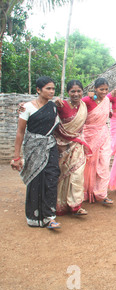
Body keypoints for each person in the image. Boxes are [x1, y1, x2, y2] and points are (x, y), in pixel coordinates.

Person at [12, 76, 61, 229]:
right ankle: (34, 217)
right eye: (48, 88)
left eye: (53, 88)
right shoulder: (27, 107)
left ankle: (50, 216)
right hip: (33, 148)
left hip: (50, 147)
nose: (51, 91)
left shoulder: (53, 107)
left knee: (52, 179)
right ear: (38, 90)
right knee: (35, 180)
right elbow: (20, 132)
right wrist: (16, 156)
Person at [54, 80, 91, 216]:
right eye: (72, 91)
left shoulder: (84, 104)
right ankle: (60, 205)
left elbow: (102, 98)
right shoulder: (60, 105)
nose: (76, 94)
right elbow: (44, 110)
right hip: (62, 146)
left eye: (78, 91)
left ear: (82, 91)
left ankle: (75, 205)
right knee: (62, 175)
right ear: (68, 92)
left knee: (77, 174)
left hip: (77, 145)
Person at [82, 78, 113, 204]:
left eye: (106, 89)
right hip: (89, 135)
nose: (104, 92)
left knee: (104, 164)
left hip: (103, 134)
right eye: (101, 89)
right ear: (95, 89)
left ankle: (102, 194)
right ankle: (86, 193)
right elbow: (76, 110)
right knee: (89, 165)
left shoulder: (107, 100)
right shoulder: (87, 100)